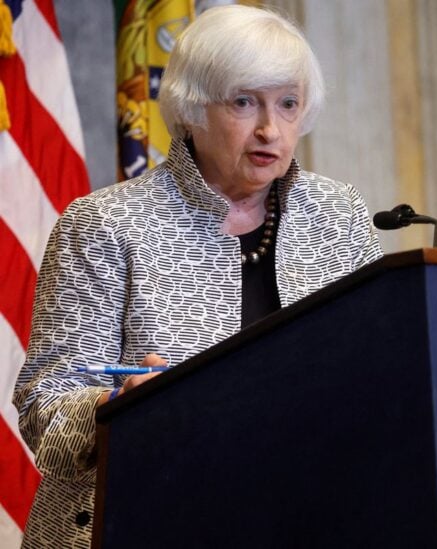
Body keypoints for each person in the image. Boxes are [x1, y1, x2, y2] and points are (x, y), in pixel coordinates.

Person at [13, 5, 382, 547]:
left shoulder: (337, 214)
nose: (269, 128)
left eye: (288, 104)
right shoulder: (106, 222)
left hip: (302, 513)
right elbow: (45, 408)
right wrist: (116, 408)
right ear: (191, 109)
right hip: (137, 519)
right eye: (243, 102)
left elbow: (376, 371)